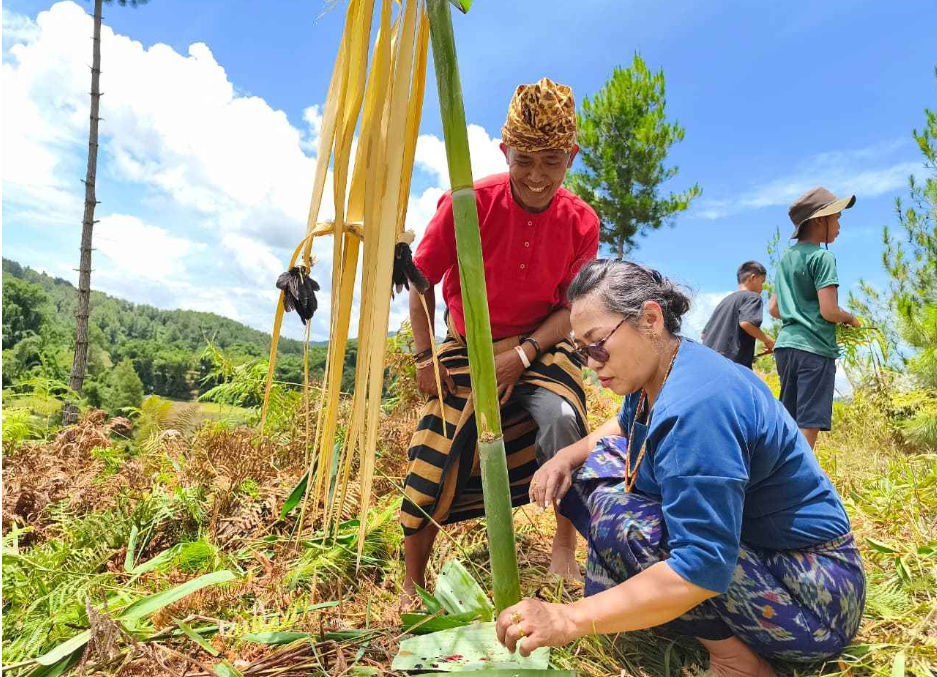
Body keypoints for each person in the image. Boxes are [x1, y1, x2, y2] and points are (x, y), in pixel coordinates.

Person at [496, 259, 865, 677]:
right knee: (591, 470)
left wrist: (568, 619)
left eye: (598, 343)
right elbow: (622, 425)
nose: (591, 362)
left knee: (624, 524)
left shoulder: (698, 407)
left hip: (815, 598)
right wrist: (565, 455)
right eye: (582, 351)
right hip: (768, 558)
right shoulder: (662, 370)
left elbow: (702, 563)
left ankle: (737, 661)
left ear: (650, 319)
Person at [400, 78, 600, 605]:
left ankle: (564, 548)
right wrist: (423, 355)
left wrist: (524, 354)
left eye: (552, 163)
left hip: (543, 342)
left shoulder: (581, 222)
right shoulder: (469, 204)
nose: (537, 177)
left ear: (571, 158)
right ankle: (411, 582)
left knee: (562, 418)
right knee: (437, 448)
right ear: (505, 150)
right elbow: (419, 281)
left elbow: (570, 310)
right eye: (525, 160)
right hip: (467, 347)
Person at [768, 187, 861, 449]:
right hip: (814, 348)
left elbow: (774, 309)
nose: (839, 225)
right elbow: (829, 311)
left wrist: (795, 308)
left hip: (786, 347)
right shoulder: (823, 257)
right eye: (837, 218)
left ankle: (779, 475)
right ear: (820, 220)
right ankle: (800, 481)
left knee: (790, 418)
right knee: (809, 421)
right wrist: (851, 319)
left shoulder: (787, 259)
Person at [701, 261, 775, 369]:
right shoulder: (753, 297)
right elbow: (746, 323)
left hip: (708, 360)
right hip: (731, 365)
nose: (762, 287)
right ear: (753, 278)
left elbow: (704, 335)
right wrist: (768, 340)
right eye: (762, 282)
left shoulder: (725, 301)